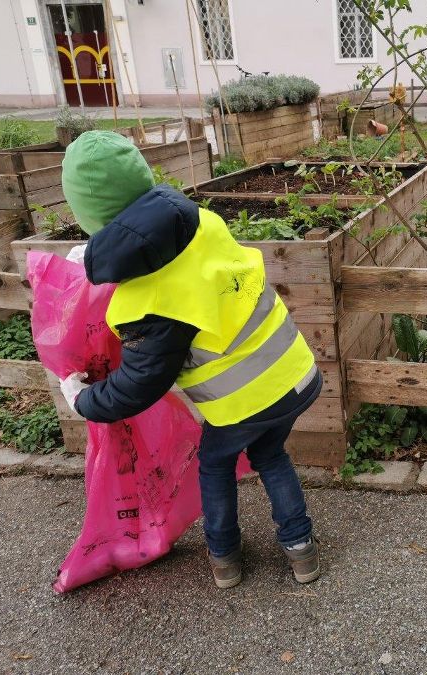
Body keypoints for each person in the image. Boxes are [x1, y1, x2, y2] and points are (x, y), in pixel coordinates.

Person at [57, 131, 321, 589]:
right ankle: (301, 551)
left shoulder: (150, 298)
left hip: (244, 399)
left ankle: (225, 558)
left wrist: (84, 400)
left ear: (90, 216)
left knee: (215, 465)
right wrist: (100, 258)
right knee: (271, 454)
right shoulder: (198, 222)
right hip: (293, 371)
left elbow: (141, 382)